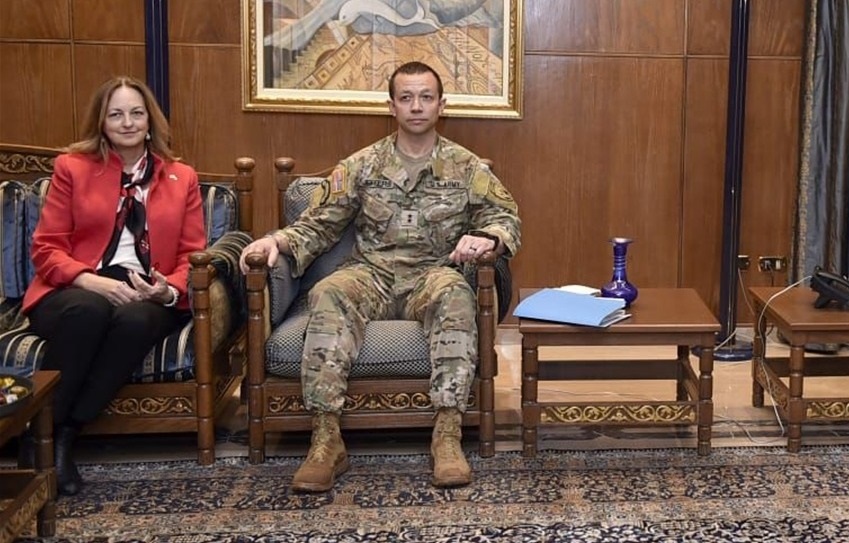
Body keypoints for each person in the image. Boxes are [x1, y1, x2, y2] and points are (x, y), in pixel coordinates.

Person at [241, 60, 521, 493]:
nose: (416, 106)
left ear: (441, 105)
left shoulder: (466, 167)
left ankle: (447, 434)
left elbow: (505, 217)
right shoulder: (361, 165)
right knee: (329, 291)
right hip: (371, 274)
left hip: (433, 273)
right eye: (406, 98)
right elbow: (319, 225)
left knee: (457, 294)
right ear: (391, 106)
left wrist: (488, 238)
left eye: (426, 97)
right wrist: (274, 241)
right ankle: (326, 439)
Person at [24, 76, 206, 496]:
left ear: (150, 120)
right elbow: (46, 248)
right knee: (89, 311)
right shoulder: (71, 168)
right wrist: (91, 282)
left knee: (136, 320)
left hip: (146, 289)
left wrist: (168, 290)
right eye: (116, 114)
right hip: (75, 285)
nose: (127, 123)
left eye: (136, 113)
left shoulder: (181, 177)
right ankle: (43, 434)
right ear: (101, 122)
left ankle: (64, 433)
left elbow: (192, 254)